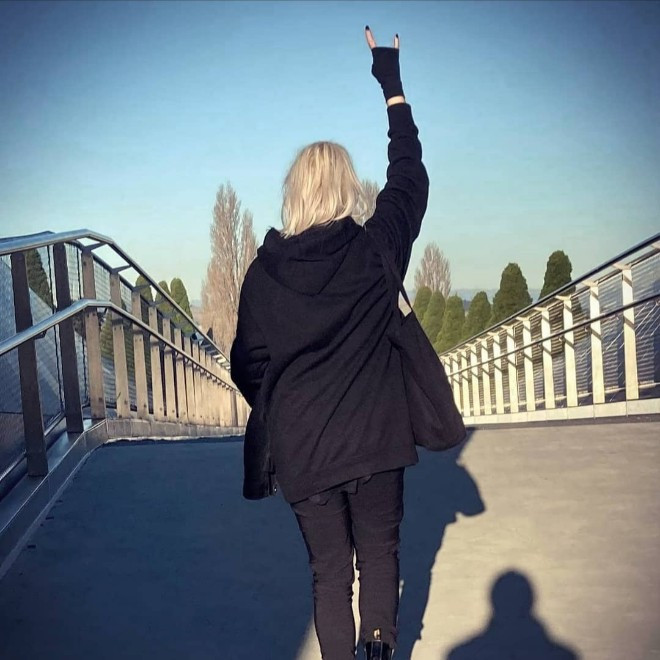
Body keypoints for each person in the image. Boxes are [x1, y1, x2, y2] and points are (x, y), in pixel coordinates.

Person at [230, 25, 429, 659]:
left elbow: (247, 365)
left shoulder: (264, 275)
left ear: (293, 194)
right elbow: (409, 177)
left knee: (329, 575)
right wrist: (391, 84)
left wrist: (287, 401)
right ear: (348, 189)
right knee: (380, 557)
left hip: (305, 452)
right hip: (377, 441)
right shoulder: (375, 251)